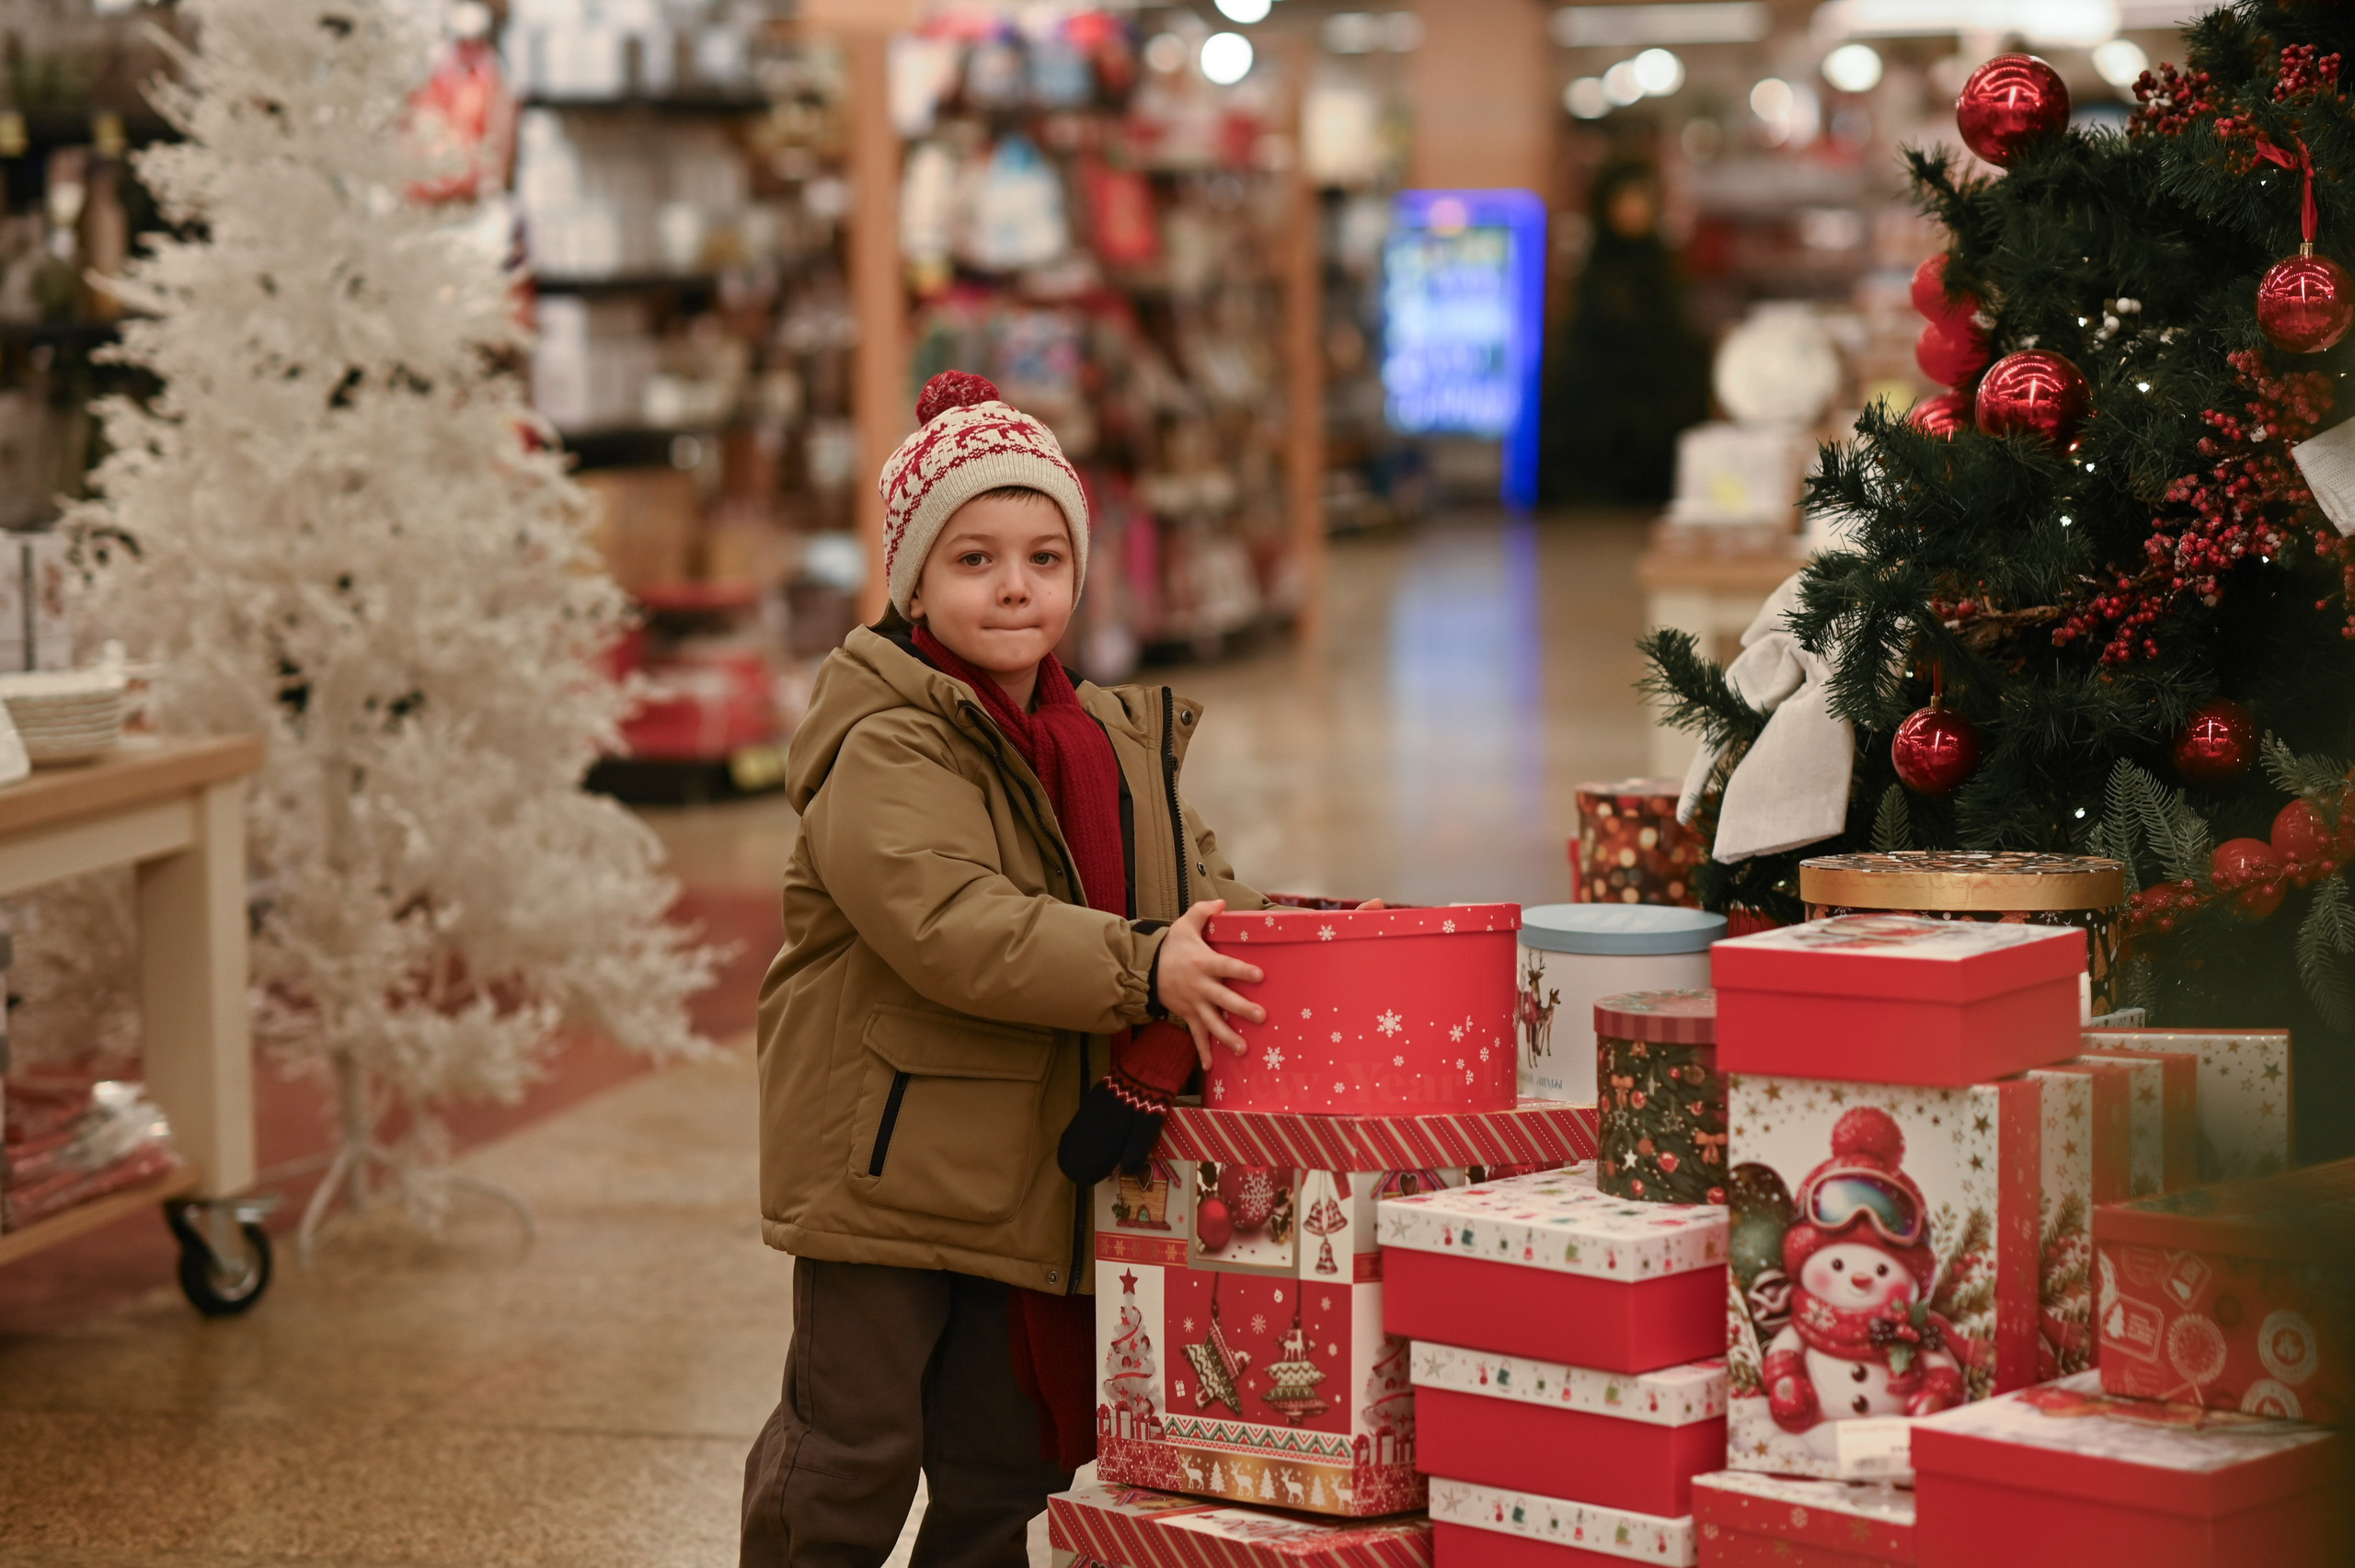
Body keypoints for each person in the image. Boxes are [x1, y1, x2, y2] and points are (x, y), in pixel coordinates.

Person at [741, 370, 1271, 1567]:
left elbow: (1200, 888)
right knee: (850, 1449)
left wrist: (1290, 935)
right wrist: (1145, 968)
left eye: (1045, 556)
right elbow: (953, 921)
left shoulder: (1109, 740)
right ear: (914, 579)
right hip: (888, 1166)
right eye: (974, 558)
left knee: (1010, 1459)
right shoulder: (886, 736)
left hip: (1033, 1167)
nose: (1016, 585)